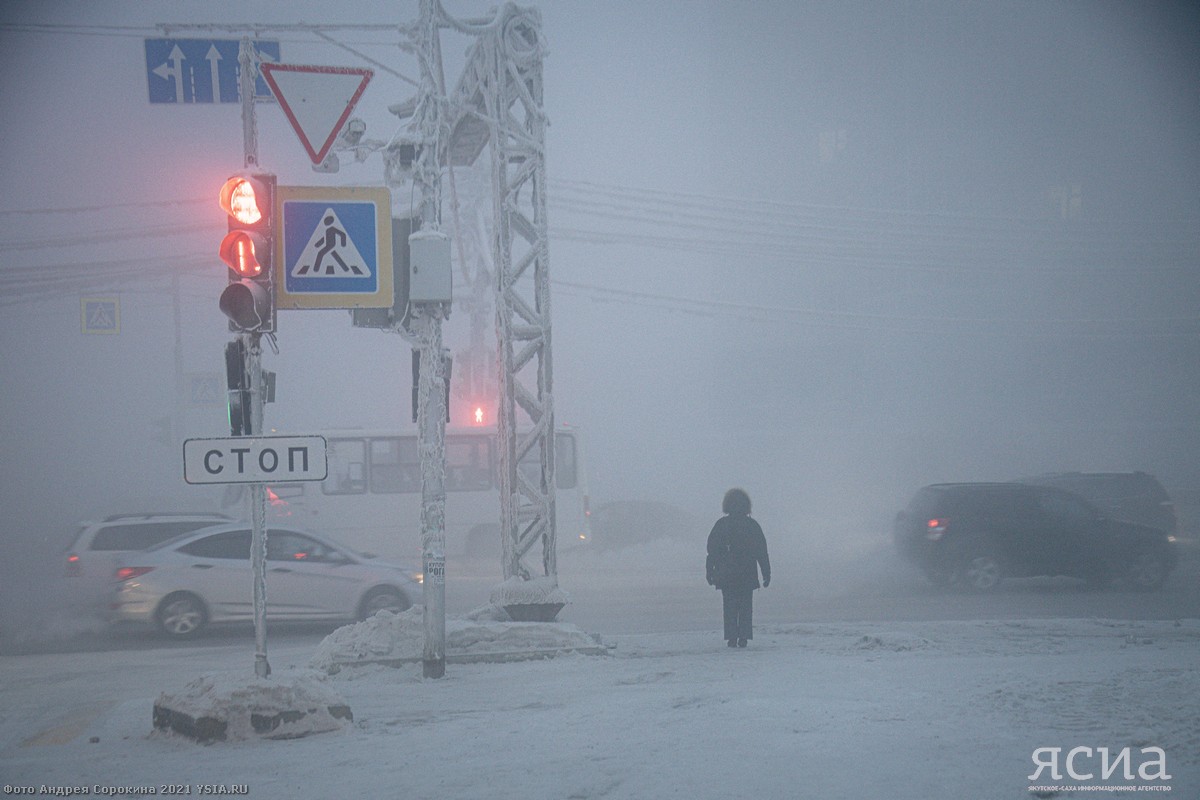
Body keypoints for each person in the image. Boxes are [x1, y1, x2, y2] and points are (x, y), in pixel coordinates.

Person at [706, 488, 771, 648]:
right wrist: (766, 572)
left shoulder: (722, 525)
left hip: (726, 574)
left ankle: (732, 637)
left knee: (729, 606)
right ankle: (743, 637)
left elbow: (712, 550)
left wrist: (710, 571)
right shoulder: (752, 525)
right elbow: (761, 551)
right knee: (745, 607)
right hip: (747, 573)